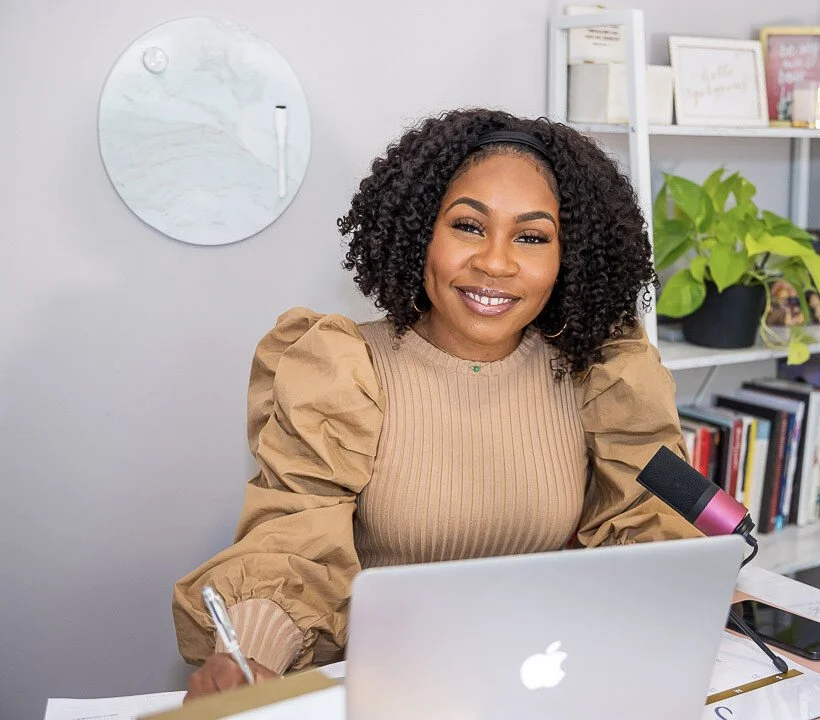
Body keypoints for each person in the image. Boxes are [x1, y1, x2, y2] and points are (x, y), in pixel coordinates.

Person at [174, 108, 700, 700]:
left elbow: (651, 530)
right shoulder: (343, 367)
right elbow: (291, 547)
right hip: (393, 694)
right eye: (469, 227)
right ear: (420, 231)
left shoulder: (601, 373)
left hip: (544, 684)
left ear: (567, 259)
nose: (495, 262)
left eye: (531, 237)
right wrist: (246, 657)